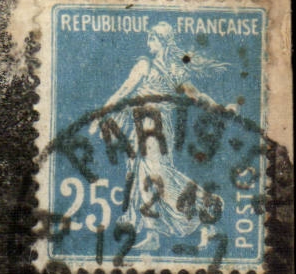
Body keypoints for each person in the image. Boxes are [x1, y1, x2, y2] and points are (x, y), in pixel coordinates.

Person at [91, 23, 233, 252]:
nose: (149, 43)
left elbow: (124, 91)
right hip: (151, 126)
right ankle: (181, 220)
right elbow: (195, 95)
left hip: (152, 126)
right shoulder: (166, 68)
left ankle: (196, 210)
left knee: (154, 174)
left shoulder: (150, 66)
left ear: (159, 40)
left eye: (152, 39)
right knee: (148, 173)